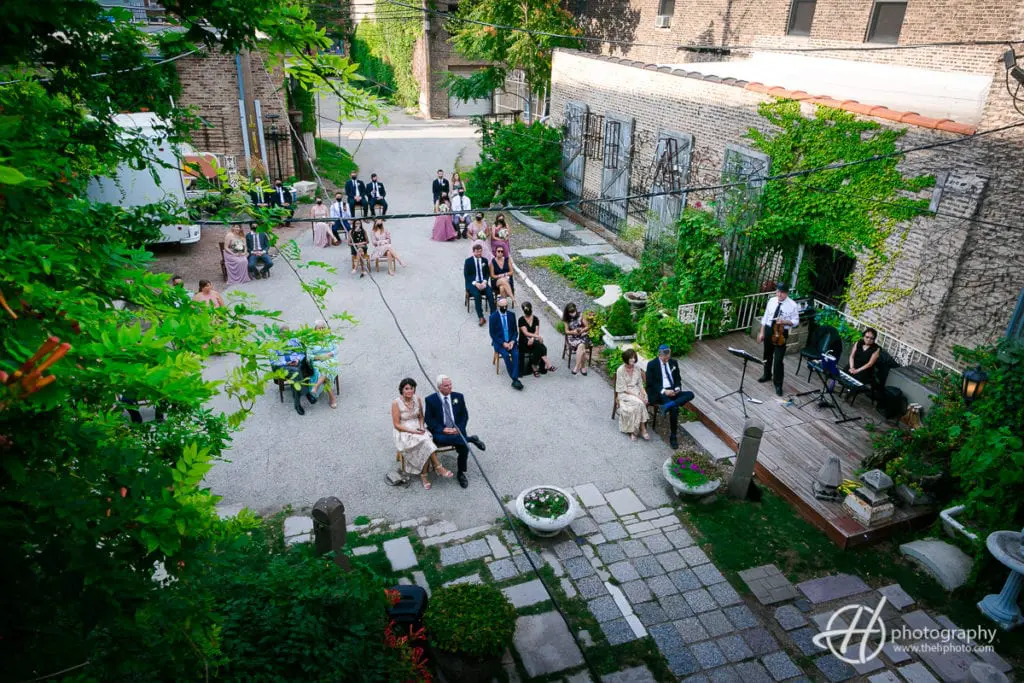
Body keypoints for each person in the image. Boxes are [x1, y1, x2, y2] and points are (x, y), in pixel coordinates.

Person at [424, 374, 486, 489]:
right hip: (442, 433)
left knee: (464, 447)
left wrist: (459, 429)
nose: (450, 387)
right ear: (439, 387)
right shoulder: (431, 400)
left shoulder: (459, 397)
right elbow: (429, 419)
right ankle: (471, 439)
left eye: (450, 384)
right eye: (446, 386)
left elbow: (464, 416)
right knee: (456, 440)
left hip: (457, 430)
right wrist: (443, 429)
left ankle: (461, 473)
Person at [393, 378, 453, 489]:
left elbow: (421, 416)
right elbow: (396, 424)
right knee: (425, 441)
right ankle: (438, 467)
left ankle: (424, 475)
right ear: (401, 389)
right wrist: (412, 431)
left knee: (426, 439)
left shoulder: (417, 399)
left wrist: (421, 427)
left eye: (411, 388)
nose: (409, 391)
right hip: (404, 430)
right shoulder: (396, 403)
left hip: (418, 427)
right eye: (406, 388)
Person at [645, 344, 694, 450]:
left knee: (690, 394)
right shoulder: (652, 364)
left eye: (668, 357)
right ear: (660, 355)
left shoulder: (673, 363)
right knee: (674, 409)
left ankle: (669, 405)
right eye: (665, 358)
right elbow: (650, 383)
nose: (667, 359)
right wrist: (665, 391)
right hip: (660, 393)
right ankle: (673, 436)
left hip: (672, 391)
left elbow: (677, 379)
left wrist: (677, 389)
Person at [756, 282, 800, 396]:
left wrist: (785, 321)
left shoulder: (793, 305)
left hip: (781, 332)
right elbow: (766, 317)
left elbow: (796, 321)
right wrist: (761, 332)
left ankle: (778, 384)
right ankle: (766, 375)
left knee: (778, 360)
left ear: (787, 293)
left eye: (782, 292)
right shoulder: (771, 301)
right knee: (767, 354)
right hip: (769, 330)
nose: (779, 294)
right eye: (778, 292)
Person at [271, 324, 317, 415]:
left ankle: (297, 404)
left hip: (296, 363)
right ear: (279, 334)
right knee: (296, 372)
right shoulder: (274, 344)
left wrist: (297, 359)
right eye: (284, 334)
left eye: (288, 333)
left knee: (298, 371)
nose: (286, 336)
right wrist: (286, 362)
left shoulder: (294, 340)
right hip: (283, 366)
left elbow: (302, 352)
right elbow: (273, 360)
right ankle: (306, 393)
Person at [489, 297, 524, 390]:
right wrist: (503, 343)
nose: (504, 308)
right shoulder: (493, 317)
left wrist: (512, 341)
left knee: (516, 354)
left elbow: (515, 332)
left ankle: (514, 378)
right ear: (498, 306)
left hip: (511, 341)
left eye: (506, 306)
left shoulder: (511, 315)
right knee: (505, 355)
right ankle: (515, 378)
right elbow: (492, 334)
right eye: (502, 306)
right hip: (500, 343)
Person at [616, 348, 650, 442]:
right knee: (640, 403)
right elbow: (623, 388)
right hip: (625, 394)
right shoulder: (620, 370)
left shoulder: (637, 368)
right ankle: (642, 429)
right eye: (631, 358)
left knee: (639, 404)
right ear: (626, 359)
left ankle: (633, 431)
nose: (634, 360)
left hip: (636, 391)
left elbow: (640, 384)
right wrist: (638, 397)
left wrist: (644, 393)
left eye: (634, 358)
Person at [518, 301, 556, 378]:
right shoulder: (521, 320)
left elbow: (536, 331)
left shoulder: (535, 319)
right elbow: (525, 333)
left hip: (533, 340)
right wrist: (536, 337)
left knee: (540, 345)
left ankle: (534, 365)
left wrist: (533, 338)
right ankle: (546, 364)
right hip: (524, 342)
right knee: (540, 345)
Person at [309, 320, 339, 409]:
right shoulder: (311, 340)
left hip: (330, 359)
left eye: (323, 328)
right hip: (317, 361)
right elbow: (309, 355)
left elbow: (336, 349)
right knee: (323, 371)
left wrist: (329, 354)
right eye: (319, 328)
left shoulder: (330, 337)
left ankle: (316, 386)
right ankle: (332, 398)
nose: (322, 330)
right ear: (315, 330)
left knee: (327, 367)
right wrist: (319, 357)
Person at [464, 242, 495, 326]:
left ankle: (494, 315)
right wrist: (476, 283)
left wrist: (485, 281)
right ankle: (481, 317)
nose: (479, 253)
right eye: (477, 252)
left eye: (480, 251)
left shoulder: (484, 260)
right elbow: (467, 276)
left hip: (483, 282)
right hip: (473, 283)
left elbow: (487, 273)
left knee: (490, 294)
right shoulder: (468, 261)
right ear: (473, 252)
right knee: (477, 295)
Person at [847, 327, 881, 392]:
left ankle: (850, 392)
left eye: (872, 338)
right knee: (845, 372)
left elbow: (870, 364)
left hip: (865, 370)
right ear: (864, 336)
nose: (868, 339)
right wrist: (852, 367)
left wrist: (857, 371)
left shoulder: (876, 349)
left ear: (874, 339)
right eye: (867, 337)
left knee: (858, 377)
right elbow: (852, 356)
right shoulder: (859, 342)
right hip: (854, 366)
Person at [563, 303, 591, 376]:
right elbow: (566, 331)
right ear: (567, 312)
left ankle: (577, 367)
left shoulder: (580, 315)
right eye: (571, 312)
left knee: (581, 345)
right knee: (582, 348)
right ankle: (582, 367)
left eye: (574, 311)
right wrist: (573, 332)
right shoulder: (566, 319)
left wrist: (582, 330)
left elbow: (587, 327)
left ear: (576, 309)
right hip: (572, 337)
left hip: (583, 335)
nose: (573, 313)